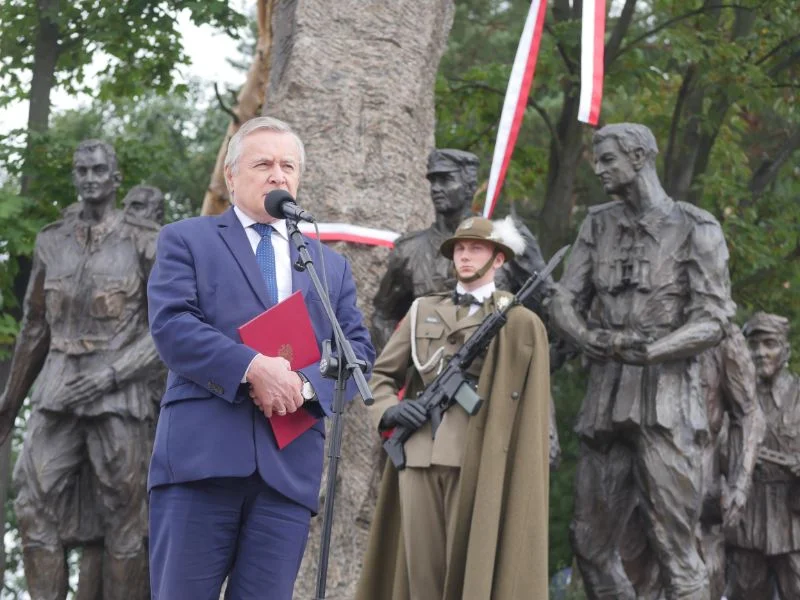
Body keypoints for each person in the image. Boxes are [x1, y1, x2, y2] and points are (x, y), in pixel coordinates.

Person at [146, 116, 375, 600]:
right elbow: (172, 326)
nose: (278, 175)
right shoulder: (188, 239)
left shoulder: (328, 266)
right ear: (231, 176)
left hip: (286, 475)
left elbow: (356, 352)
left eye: (288, 165)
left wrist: (304, 386)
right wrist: (252, 368)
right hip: (200, 465)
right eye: (264, 163)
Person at [550, 122, 735, 600]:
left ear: (638, 158)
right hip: (605, 398)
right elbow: (563, 299)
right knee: (589, 545)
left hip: (667, 402)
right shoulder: (597, 224)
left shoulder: (697, 227)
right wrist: (584, 335)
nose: (599, 169)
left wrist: (655, 350)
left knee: (675, 550)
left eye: (607, 159)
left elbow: (714, 318)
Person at [355, 216, 551, 600]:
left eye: (475, 248)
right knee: (420, 573)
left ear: (498, 259)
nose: (464, 255)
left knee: (472, 574)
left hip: (479, 457)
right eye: (459, 249)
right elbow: (381, 377)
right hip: (420, 453)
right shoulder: (421, 312)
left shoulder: (518, 322)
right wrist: (388, 413)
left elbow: (531, 404)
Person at [0, 140, 160, 600]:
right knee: (31, 504)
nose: (89, 178)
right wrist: (10, 402)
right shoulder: (51, 241)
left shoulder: (146, 240)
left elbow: (169, 327)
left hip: (119, 398)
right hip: (56, 392)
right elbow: (34, 327)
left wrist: (113, 374)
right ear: (75, 177)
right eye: (82, 170)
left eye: (98, 170)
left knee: (126, 521)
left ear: (115, 178)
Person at [370, 148, 550, 353]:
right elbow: (383, 316)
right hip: (430, 373)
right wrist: (403, 365)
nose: (436, 188)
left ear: (469, 186)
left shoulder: (506, 241)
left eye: (446, 180)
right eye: (433, 181)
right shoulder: (409, 251)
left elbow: (544, 305)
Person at [725, 312, 800, 599]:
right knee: (744, 590)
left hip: (793, 522)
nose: (760, 353)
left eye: (770, 344)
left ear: (786, 350)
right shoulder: (734, 400)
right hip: (747, 520)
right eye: (753, 345)